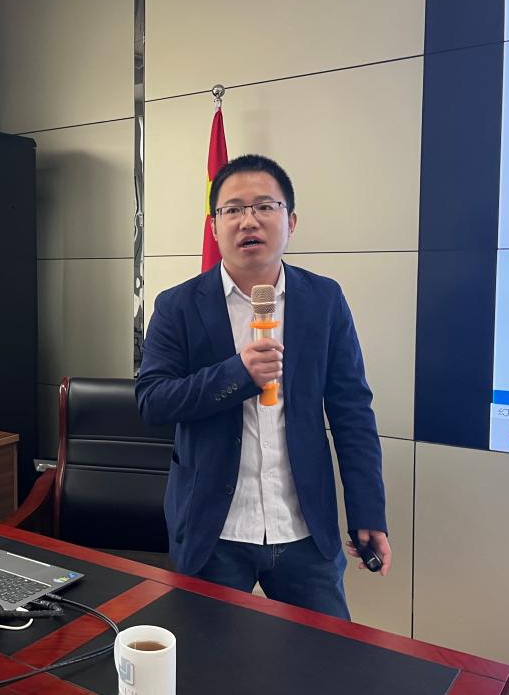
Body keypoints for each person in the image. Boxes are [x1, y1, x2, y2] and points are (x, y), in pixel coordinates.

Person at [135, 153, 390, 619]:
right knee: (207, 656)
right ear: (214, 227)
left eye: (264, 207)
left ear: (290, 220)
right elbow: (151, 401)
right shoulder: (178, 306)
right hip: (214, 530)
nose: (248, 220)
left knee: (325, 655)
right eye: (232, 209)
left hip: (303, 527)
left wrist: (367, 510)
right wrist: (238, 375)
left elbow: (352, 411)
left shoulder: (324, 299)